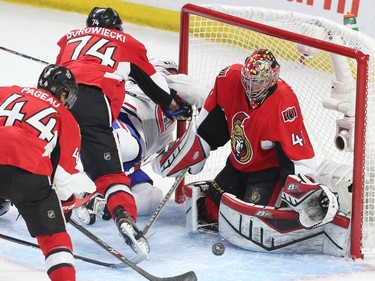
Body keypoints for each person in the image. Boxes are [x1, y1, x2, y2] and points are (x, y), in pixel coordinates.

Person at [153, 49, 340, 235]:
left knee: (250, 221)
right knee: (209, 211)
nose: (251, 87)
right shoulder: (229, 79)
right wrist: (196, 146)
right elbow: (212, 123)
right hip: (237, 164)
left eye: (257, 82)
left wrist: (301, 187)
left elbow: (295, 154)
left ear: (272, 79)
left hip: (267, 173)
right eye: (248, 80)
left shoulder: (284, 102)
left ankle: (281, 202)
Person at [54, 7, 192, 257]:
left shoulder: (70, 37)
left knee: (39, 151)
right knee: (111, 177)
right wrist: (176, 106)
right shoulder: (127, 42)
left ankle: (22, 194)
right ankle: (123, 217)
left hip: (57, 100)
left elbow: (53, 78)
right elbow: (157, 89)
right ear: (118, 28)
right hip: (94, 106)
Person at [75, 57, 210, 224]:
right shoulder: (156, 81)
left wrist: (188, 152)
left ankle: (105, 204)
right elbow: (200, 93)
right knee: (124, 143)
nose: (177, 77)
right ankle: (71, 184)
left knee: (153, 197)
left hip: (127, 162)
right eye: (174, 74)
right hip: (115, 127)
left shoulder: (167, 128)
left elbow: (160, 166)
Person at [0, 64, 96, 281]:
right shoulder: (67, 119)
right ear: (63, 92)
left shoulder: (7, 91)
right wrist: (63, 207)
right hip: (26, 170)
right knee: (54, 237)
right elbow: (63, 177)